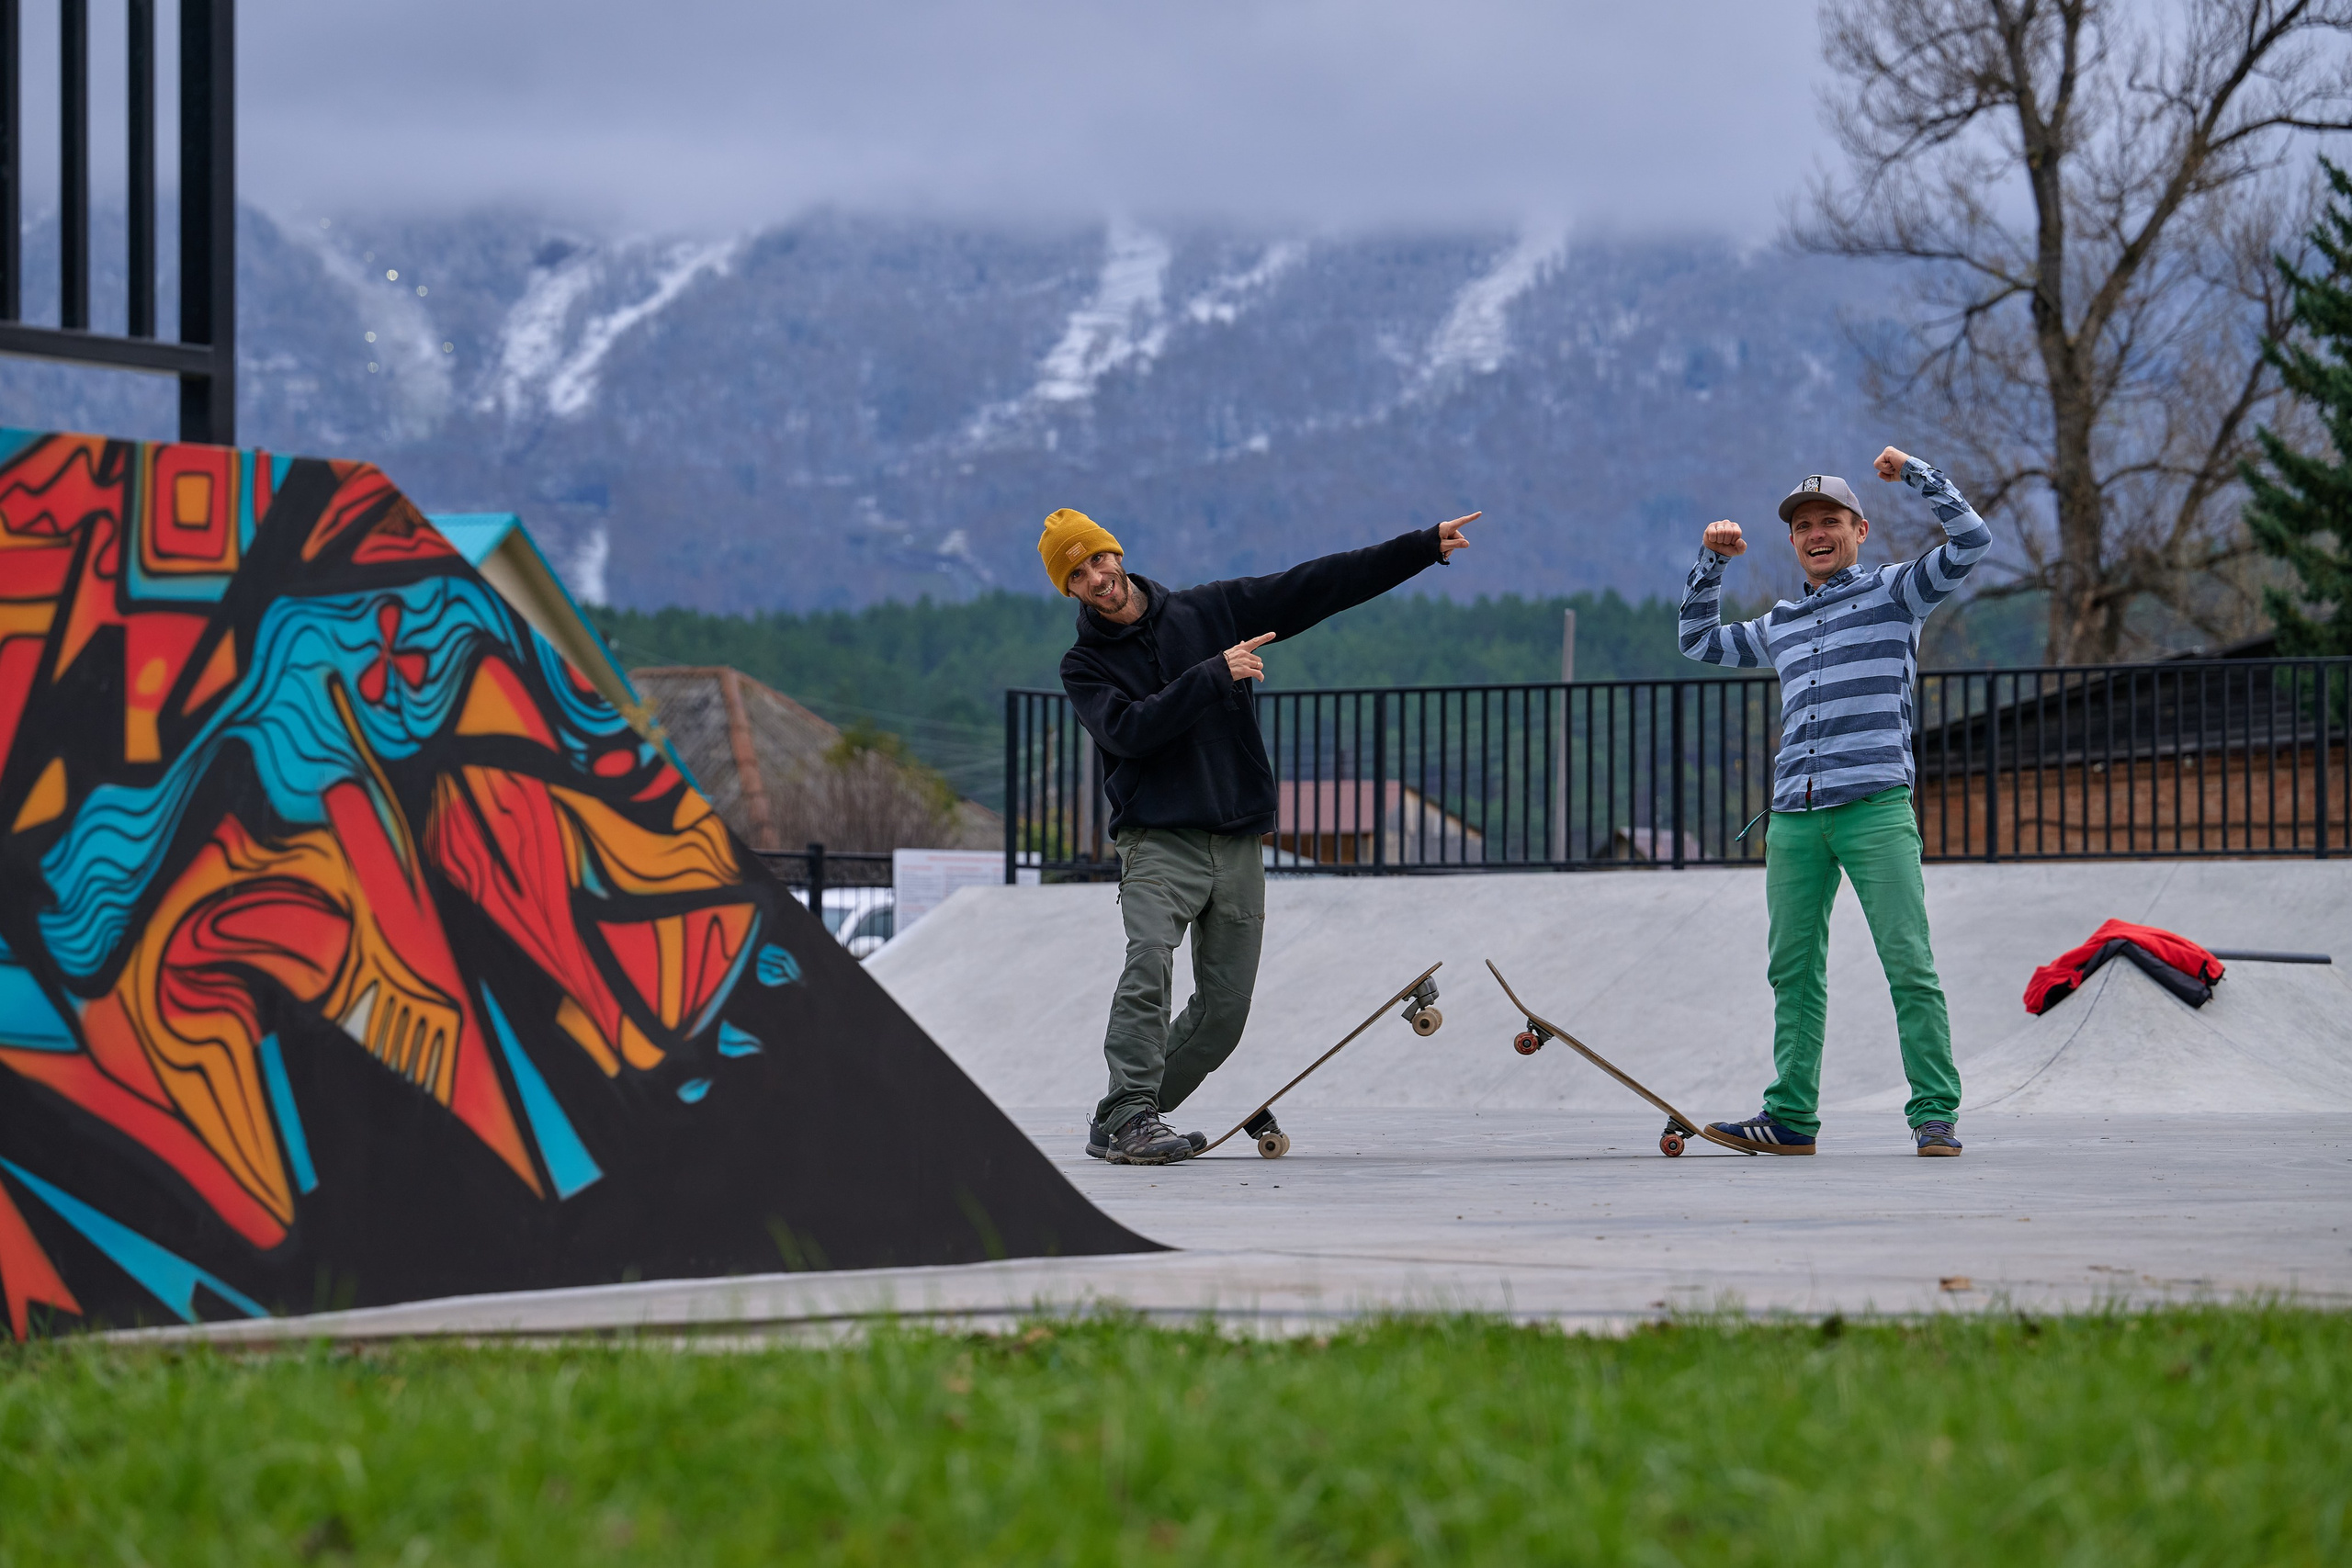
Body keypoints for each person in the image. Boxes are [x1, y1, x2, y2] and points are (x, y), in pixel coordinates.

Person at [1046, 505, 1476, 1165]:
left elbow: (1317, 585)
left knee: (1223, 1015)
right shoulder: (1083, 666)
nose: (1096, 578)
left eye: (1098, 560)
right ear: (1069, 589)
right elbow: (1127, 731)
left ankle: (1122, 1118)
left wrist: (1420, 548)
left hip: (1238, 838)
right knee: (1148, 959)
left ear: (1117, 554)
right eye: (1077, 574)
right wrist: (1213, 674)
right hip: (1158, 840)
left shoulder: (1210, 610)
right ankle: (1132, 1113)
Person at [1677, 447, 1990, 1157]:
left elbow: (1973, 541)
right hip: (1792, 819)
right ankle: (1790, 1116)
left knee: (1908, 963)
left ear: (1860, 530)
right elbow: (1696, 640)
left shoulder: (1896, 593)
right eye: (1805, 525)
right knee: (1792, 969)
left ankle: (1935, 1113)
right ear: (1792, 540)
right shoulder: (1781, 622)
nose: (1817, 533)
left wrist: (1916, 473)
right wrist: (1711, 562)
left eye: (1832, 521)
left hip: (1875, 807)